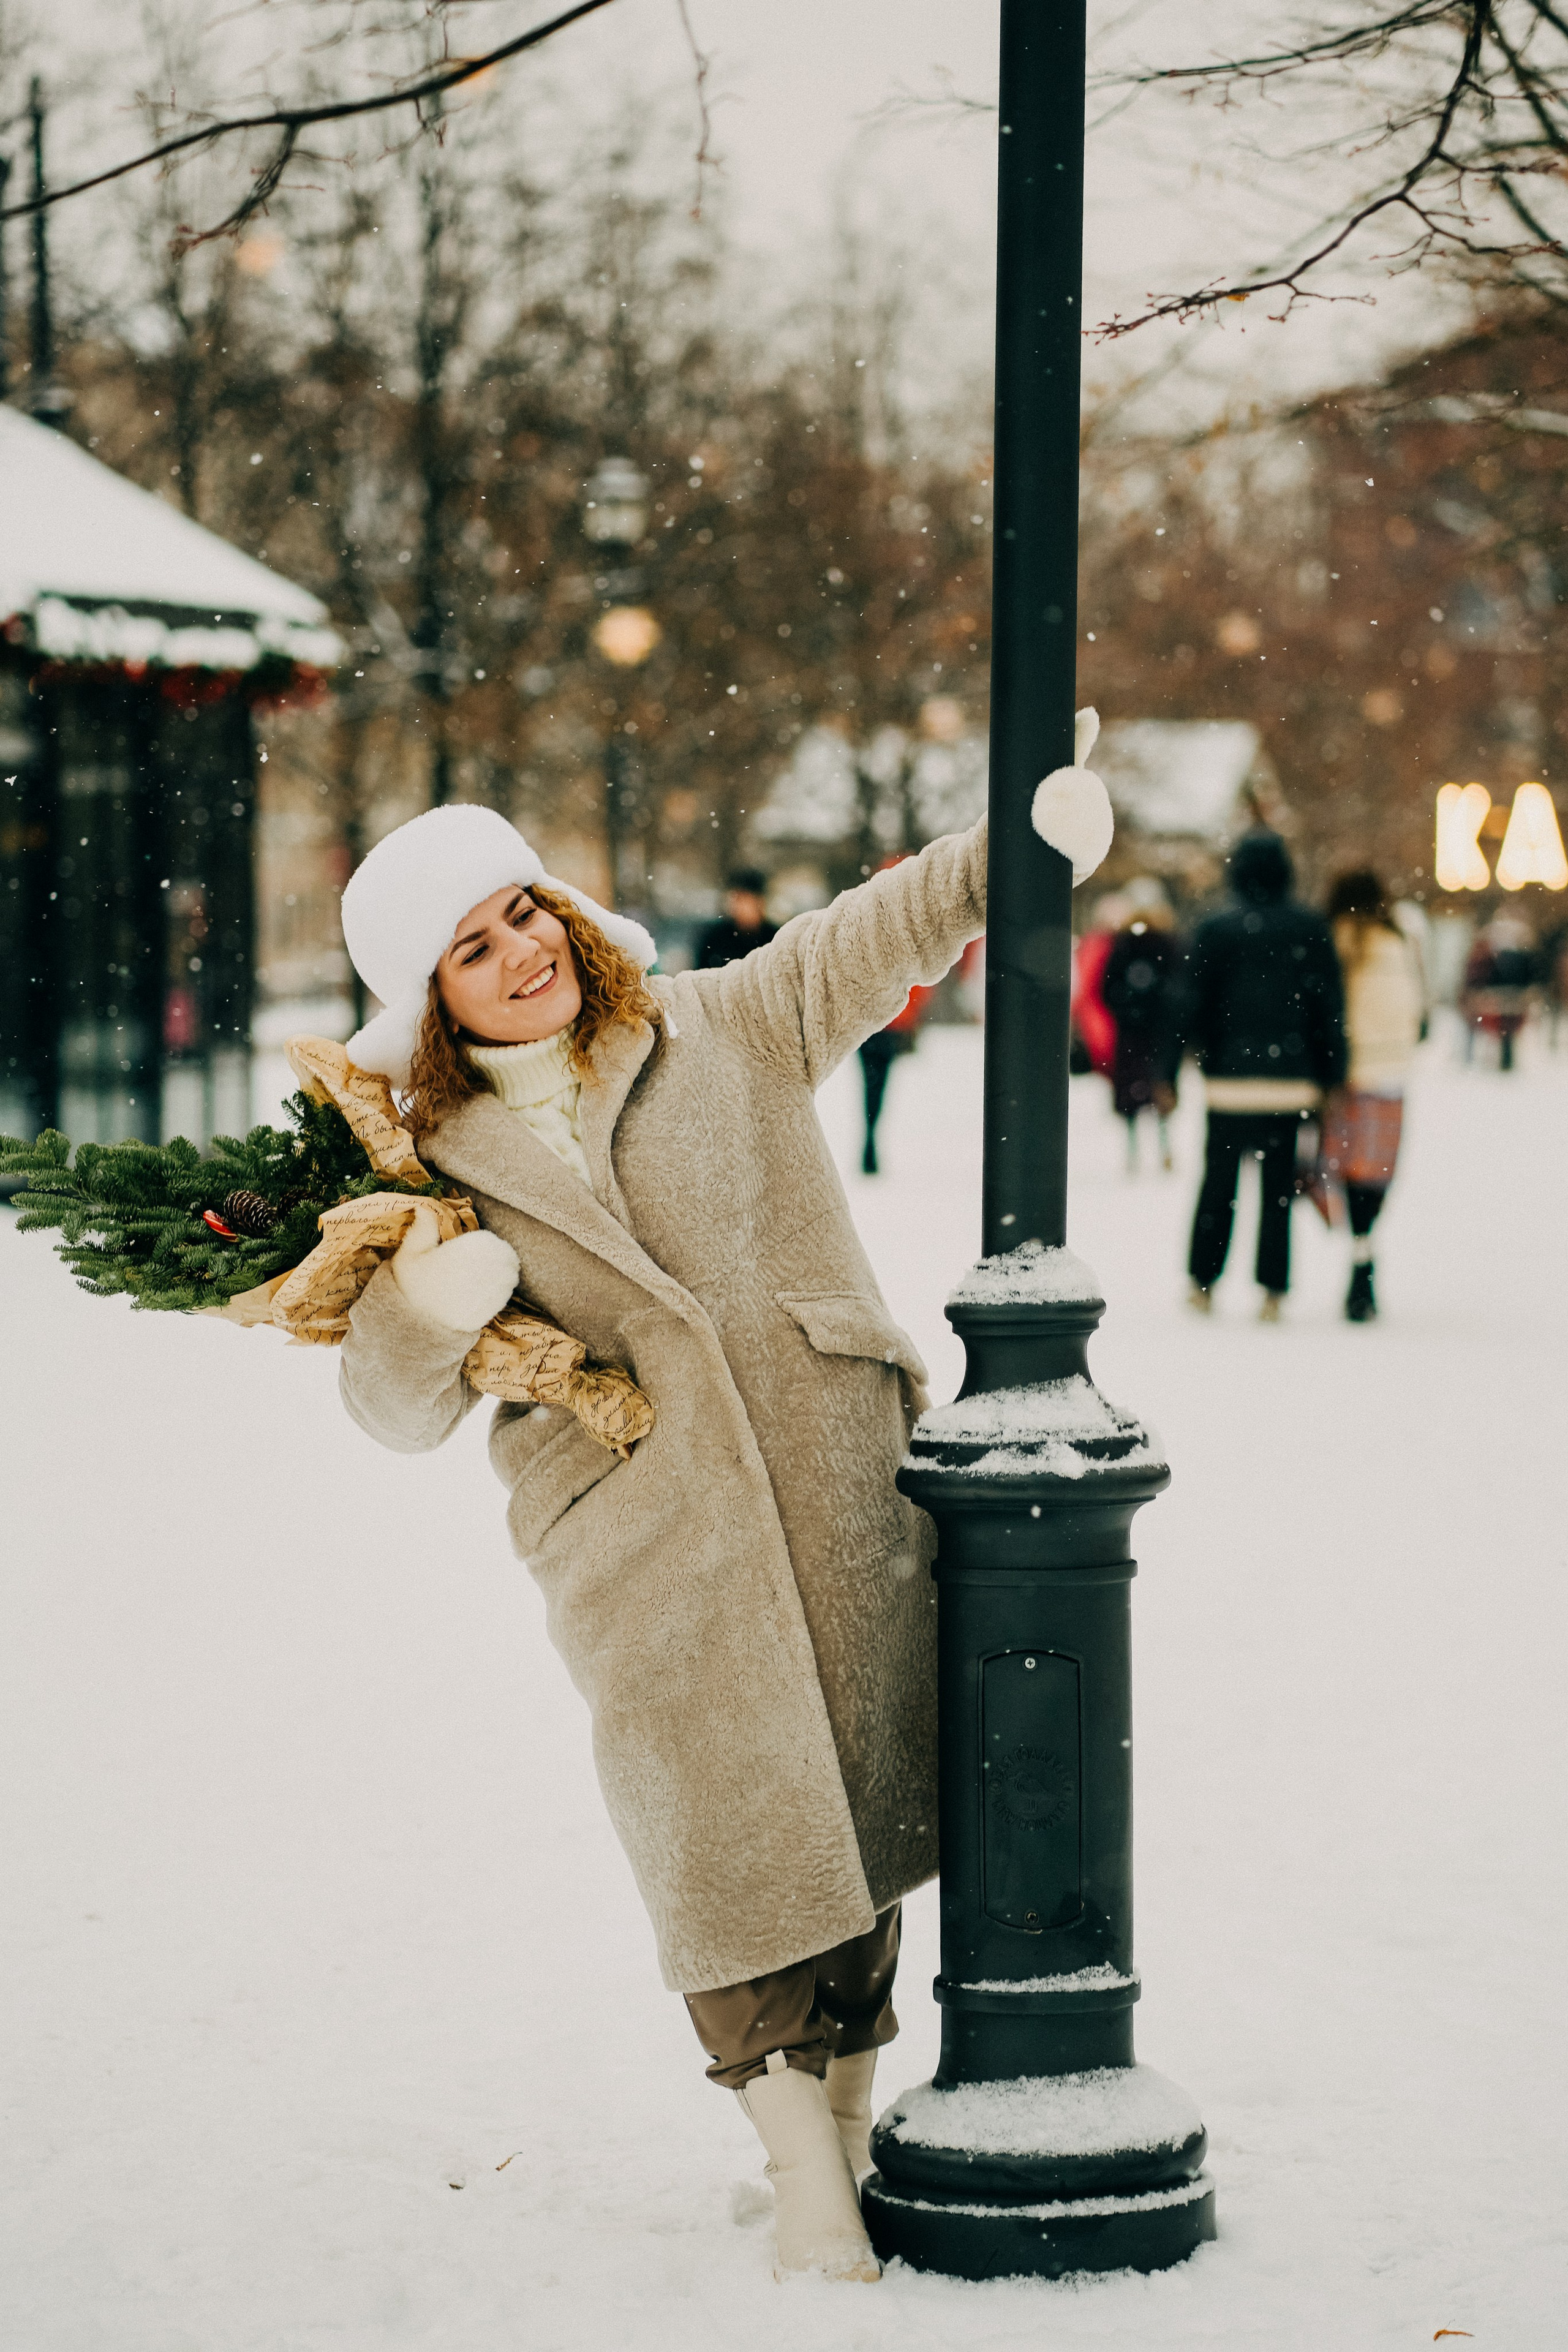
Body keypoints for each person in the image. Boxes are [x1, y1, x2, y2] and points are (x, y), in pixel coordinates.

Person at [331, 780, 1106, 2284]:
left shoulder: (714, 1022)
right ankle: (797, 2161)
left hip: (829, 1480)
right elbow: (387, 1406)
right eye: (473, 949)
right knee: (719, 1836)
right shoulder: (416, 1163)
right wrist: (425, 1308)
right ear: (428, 1001)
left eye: (523, 912)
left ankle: (847, 2119)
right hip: (636, 1537)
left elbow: (870, 932)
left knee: (857, 1805)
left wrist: (1012, 846)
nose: (520, 953)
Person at [1183, 830, 1346, 1321]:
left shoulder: (1215, 929)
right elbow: (1328, 1009)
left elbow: (1191, 1005)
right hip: (1289, 1083)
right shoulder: (1309, 929)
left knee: (1218, 1186)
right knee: (1278, 1190)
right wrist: (1332, 1076)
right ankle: (1273, 1289)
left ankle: (1203, 1282)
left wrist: (1178, 1065)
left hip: (1229, 1083)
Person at [1321, 869, 1424, 1323]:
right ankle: (1364, 1250)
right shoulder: (1398, 942)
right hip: (1390, 1074)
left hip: (1346, 1076)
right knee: (1375, 1174)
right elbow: (1417, 1009)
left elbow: (1325, 1008)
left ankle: (1356, 1242)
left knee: (1341, 1168)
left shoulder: (1333, 942)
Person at [1100, 883, 1184, 1173]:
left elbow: (1108, 988)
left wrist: (1129, 1008)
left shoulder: (1129, 942)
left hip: (1140, 1032)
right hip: (1153, 1032)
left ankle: (1142, 1153)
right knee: (1155, 1090)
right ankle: (1157, 1151)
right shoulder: (1163, 943)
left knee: (1142, 1093)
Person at [856, 982, 934, 1175]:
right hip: (887, 1029)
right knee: (877, 1086)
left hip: (872, 1027)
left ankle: (870, 1139)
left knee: (872, 1086)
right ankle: (871, 1139)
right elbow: (921, 990)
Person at [1462, 916, 1536, 1071]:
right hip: (1501, 998)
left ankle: (1486, 1059)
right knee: (1502, 1030)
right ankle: (1484, 1059)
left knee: (1502, 1030)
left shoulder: (1495, 956)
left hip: (1502, 998)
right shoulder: (1493, 956)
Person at [694, 867, 777, 969]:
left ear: (759, 901)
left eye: (744, 900)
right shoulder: (716, 939)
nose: (739, 907)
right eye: (736, 900)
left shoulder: (774, 938)